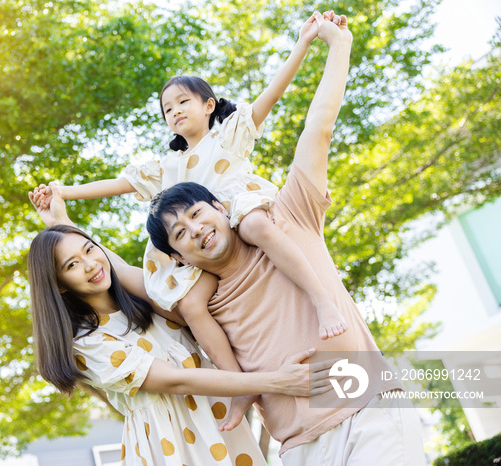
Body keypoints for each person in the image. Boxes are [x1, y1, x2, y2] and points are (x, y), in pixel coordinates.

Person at [145, 13, 427, 466]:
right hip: (297, 448)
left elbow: (319, 127)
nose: (196, 230)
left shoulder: (286, 217)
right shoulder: (199, 300)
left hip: (366, 414)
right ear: (177, 256)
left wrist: (338, 45)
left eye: (198, 214)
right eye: (181, 233)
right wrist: (59, 215)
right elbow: (102, 277)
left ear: (220, 208)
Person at [33, 11, 348, 393]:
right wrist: (65, 192)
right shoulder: (167, 166)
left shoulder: (229, 135)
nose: (176, 110)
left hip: (235, 213)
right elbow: (120, 183)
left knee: (256, 226)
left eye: (184, 101)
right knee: (192, 306)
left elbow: (273, 92)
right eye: (168, 109)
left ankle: (321, 299)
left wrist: (303, 44)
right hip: (196, 245)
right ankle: (239, 385)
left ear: (209, 105)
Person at [27, 189, 335, 466]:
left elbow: (117, 266)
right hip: (170, 444)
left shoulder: (143, 302)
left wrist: (61, 221)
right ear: (60, 285)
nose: (90, 264)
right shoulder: (88, 343)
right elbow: (177, 381)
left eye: (90, 250)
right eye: (71, 265)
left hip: (214, 423)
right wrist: (276, 382)